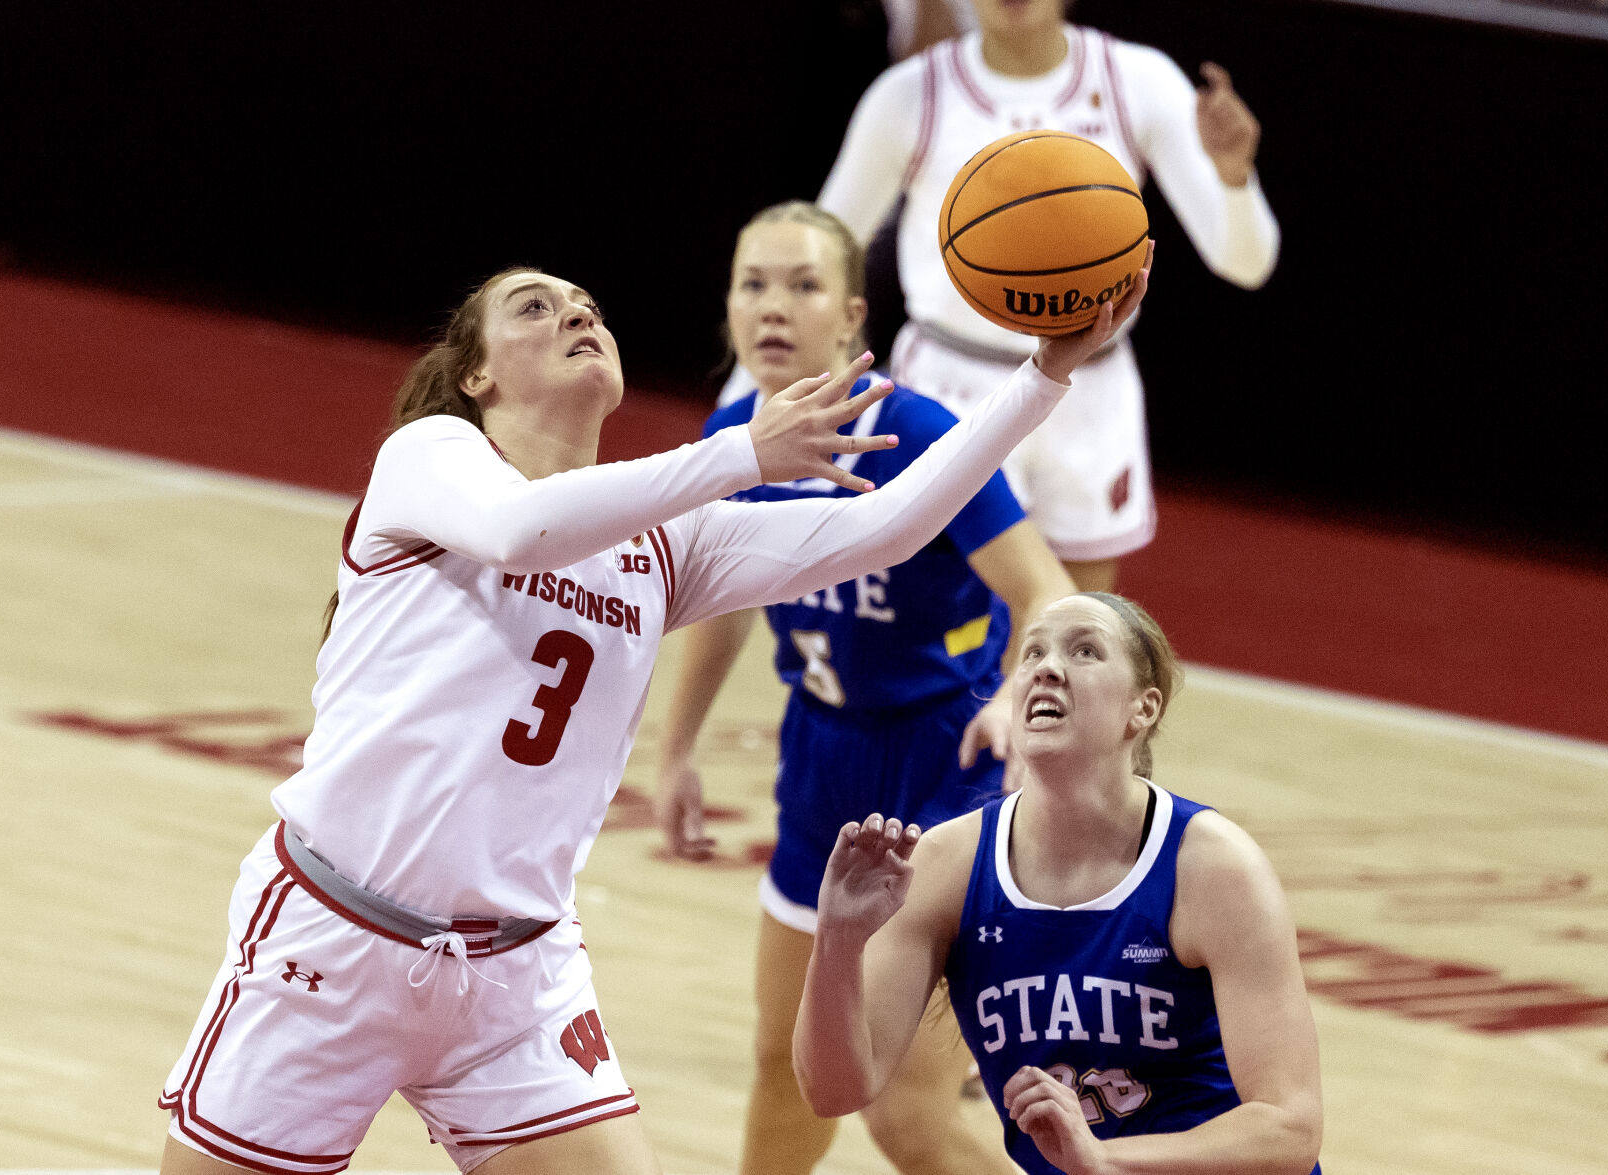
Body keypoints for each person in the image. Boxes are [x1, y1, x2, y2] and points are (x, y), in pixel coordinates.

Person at [155, 259, 1149, 1175]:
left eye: (584, 303)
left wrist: (1041, 377)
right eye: (533, 308)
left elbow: (879, 526)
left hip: (514, 976)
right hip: (335, 942)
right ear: (475, 377)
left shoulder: (662, 541)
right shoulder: (431, 454)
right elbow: (521, 529)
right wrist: (736, 454)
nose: (574, 313)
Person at [654, 201, 1078, 1175]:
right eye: (752, 283)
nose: (773, 306)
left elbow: (1044, 589)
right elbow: (721, 601)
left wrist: (1017, 692)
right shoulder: (733, 443)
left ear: (850, 316)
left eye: (801, 285)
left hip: (944, 770)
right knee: (784, 1063)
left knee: (903, 1111)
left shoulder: (917, 430)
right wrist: (676, 750)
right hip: (821, 763)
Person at [792, 592, 1324, 1175]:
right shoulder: (949, 863)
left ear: (1142, 710)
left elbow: (1289, 1128)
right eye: (1033, 652)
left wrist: (1104, 1160)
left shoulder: (1214, 868)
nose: (1047, 667)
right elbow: (836, 1091)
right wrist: (837, 942)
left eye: (1085, 651)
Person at [775, 0, 1281, 595]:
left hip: (1092, 386)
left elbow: (1245, 264)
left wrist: (1233, 177)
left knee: (1081, 628)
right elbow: (823, 254)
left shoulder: (1137, 80)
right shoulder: (911, 94)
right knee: (946, 625)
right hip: (950, 386)